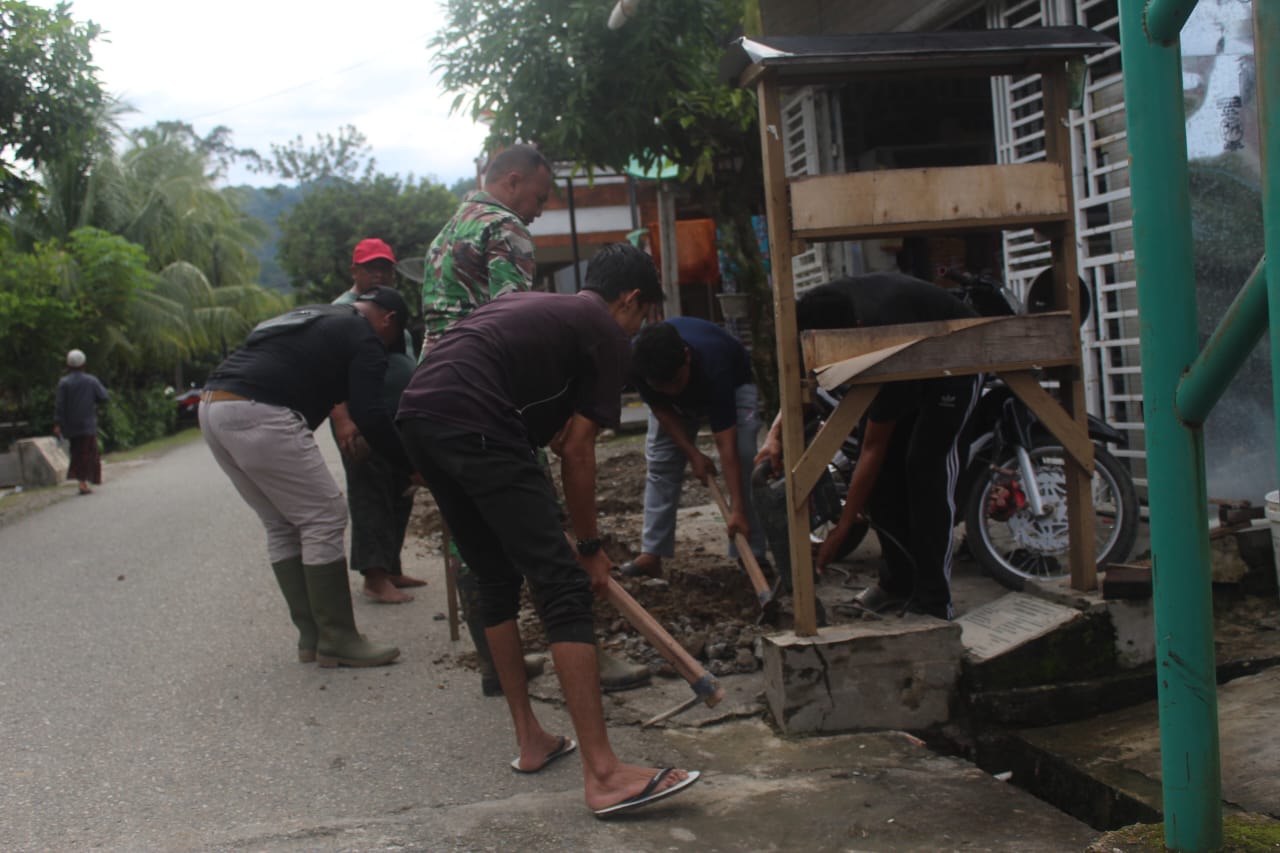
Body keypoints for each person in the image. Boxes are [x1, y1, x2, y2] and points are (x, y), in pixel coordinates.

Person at [396, 243, 700, 817]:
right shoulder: (605, 332)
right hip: (476, 420)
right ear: (630, 300)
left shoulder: (541, 309)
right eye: (642, 317)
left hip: (419, 417)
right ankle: (605, 775)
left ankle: (531, 740)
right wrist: (590, 548)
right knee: (562, 585)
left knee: (494, 576)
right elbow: (579, 453)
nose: (637, 333)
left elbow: (550, 420)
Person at [422, 144, 649, 694]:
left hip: (432, 397)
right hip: (489, 398)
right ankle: (587, 657)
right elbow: (513, 324)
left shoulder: (446, 234)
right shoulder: (505, 230)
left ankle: (495, 662)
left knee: (472, 538)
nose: (541, 210)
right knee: (545, 526)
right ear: (514, 181)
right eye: (540, 196)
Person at [200, 287, 413, 667]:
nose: (384, 351)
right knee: (325, 515)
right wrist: (412, 466)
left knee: (282, 524)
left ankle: (312, 636)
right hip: (259, 410)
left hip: (214, 405)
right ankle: (339, 638)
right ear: (388, 320)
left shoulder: (312, 315)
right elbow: (371, 412)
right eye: (390, 343)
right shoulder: (363, 332)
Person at [756, 273, 982, 620]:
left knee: (924, 468)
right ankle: (897, 584)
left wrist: (843, 528)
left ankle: (935, 600)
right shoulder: (809, 316)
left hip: (956, 359)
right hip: (905, 360)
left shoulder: (881, 334)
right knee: (885, 479)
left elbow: (872, 449)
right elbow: (802, 380)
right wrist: (774, 437)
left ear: (857, 331)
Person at [621, 318, 768, 580]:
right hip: (675, 405)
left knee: (745, 456)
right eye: (661, 386)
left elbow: (726, 443)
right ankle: (651, 554)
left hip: (734, 384)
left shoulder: (715, 364)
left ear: (687, 357)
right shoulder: (638, 363)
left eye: (675, 382)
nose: (670, 390)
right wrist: (693, 454)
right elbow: (662, 410)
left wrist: (737, 510)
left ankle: (751, 551)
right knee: (662, 461)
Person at [330, 238, 426, 604]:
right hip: (361, 419)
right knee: (370, 492)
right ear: (354, 271)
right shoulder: (344, 311)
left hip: (394, 418)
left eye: (385, 267)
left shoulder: (391, 312)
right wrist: (342, 419)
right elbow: (333, 371)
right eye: (371, 267)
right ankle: (374, 576)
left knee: (401, 489)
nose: (379, 273)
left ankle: (392, 566)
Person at [53, 349, 109, 495]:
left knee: (77, 452)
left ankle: (82, 481)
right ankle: (85, 482)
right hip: (88, 424)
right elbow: (104, 396)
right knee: (89, 452)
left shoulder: (64, 383)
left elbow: (59, 405)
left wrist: (58, 424)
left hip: (71, 426)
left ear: (68, 365)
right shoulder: (91, 380)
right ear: (83, 364)